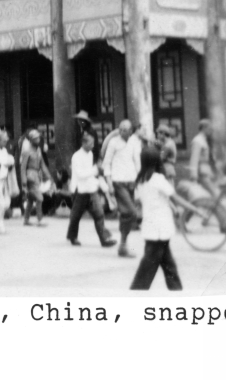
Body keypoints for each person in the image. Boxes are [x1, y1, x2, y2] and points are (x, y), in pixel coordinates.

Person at [131, 147, 206, 290]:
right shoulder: (158, 179)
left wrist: (169, 206)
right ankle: (137, 292)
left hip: (150, 226)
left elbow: (145, 201)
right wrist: (195, 209)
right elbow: (175, 198)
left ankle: (176, 290)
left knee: (168, 264)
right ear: (157, 161)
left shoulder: (140, 180)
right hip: (161, 227)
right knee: (149, 265)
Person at [66, 131, 116, 248]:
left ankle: (104, 239)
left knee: (99, 214)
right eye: (90, 143)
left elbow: (93, 174)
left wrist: (100, 182)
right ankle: (73, 236)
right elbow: (80, 174)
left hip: (91, 190)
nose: (93, 146)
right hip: (80, 191)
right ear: (83, 143)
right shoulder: (76, 156)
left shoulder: (90, 155)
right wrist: (95, 170)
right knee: (76, 216)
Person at [103, 119, 141, 258]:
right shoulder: (114, 142)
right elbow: (106, 163)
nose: (122, 132)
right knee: (131, 212)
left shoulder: (135, 142)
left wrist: (139, 179)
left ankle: (123, 245)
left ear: (131, 131)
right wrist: (109, 183)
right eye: (120, 129)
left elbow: (137, 161)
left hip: (131, 181)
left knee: (126, 214)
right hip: (118, 181)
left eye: (125, 129)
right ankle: (123, 244)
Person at [21, 129, 51, 226]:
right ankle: (40, 219)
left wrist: (48, 176)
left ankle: (26, 219)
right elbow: (23, 167)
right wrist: (24, 181)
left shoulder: (38, 150)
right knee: (39, 198)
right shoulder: (26, 151)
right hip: (30, 175)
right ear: (31, 140)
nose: (38, 139)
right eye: (36, 138)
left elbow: (42, 164)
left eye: (38, 138)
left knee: (31, 199)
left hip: (37, 175)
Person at [189, 119, 218, 197]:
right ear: (204, 128)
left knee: (210, 194)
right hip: (201, 173)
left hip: (206, 172)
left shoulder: (204, 140)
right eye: (209, 128)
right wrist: (193, 175)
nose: (211, 131)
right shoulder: (197, 141)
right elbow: (194, 159)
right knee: (214, 194)